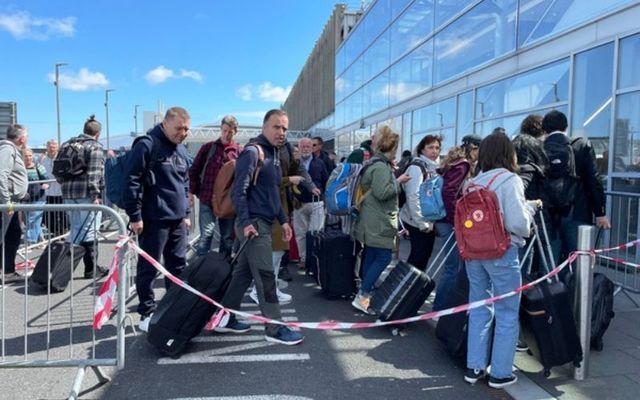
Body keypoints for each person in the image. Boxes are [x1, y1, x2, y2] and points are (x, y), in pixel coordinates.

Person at [214, 109, 304, 345]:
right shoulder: (253, 153)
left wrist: (283, 220)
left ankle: (226, 317)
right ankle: (274, 328)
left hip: (263, 222)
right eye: (276, 127)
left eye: (285, 128)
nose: (281, 132)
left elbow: (273, 193)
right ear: (264, 127)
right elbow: (238, 192)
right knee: (265, 277)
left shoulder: (274, 154)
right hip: (253, 225)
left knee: (242, 275)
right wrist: (245, 223)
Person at [463, 130, 537, 389]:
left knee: (479, 307)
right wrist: (530, 210)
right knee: (507, 311)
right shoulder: (510, 180)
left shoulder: (471, 183)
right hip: (501, 252)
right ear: (509, 154)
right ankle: (501, 372)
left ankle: (474, 366)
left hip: (473, 253)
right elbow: (518, 223)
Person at [123, 107, 191, 332]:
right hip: (153, 219)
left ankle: (172, 309)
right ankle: (147, 311)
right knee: (149, 268)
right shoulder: (147, 144)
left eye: (186, 129)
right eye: (179, 128)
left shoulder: (180, 150)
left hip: (177, 219)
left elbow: (184, 183)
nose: (183, 133)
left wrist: (187, 215)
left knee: (178, 266)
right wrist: (135, 215)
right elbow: (132, 180)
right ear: (165, 124)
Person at [541, 110, 610, 275]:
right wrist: (600, 212)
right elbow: (594, 181)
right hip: (577, 212)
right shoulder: (580, 145)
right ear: (566, 127)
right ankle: (578, 298)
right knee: (580, 261)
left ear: (544, 130)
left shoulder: (538, 148)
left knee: (550, 264)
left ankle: (551, 298)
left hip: (548, 216)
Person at [351, 126, 410, 314]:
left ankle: (364, 292)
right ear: (390, 147)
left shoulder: (373, 163)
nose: (396, 151)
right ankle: (363, 294)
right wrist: (398, 182)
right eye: (395, 148)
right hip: (379, 220)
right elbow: (383, 192)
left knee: (371, 254)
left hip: (370, 218)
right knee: (383, 257)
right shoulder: (381, 167)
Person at [431, 134, 481, 311]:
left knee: (454, 265)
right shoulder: (464, 164)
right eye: (478, 150)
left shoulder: (454, 162)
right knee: (453, 266)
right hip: (450, 221)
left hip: (443, 220)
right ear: (473, 149)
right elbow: (449, 191)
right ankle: (441, 307)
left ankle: (444, 305)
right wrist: (456, 219)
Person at [59, 115, 108, 280]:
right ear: (98, 133)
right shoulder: (94, 147)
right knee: (90, 230)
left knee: (75, 230)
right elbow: (94, 174)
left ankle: (60, 268)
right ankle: (91, 269)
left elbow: (58, 170)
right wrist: (96, 195)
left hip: (67, 194)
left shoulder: (67, 144)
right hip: (86, 194)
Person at [188, 115, 241, 258]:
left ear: (235, 131)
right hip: (207, 198)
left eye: (230, 131)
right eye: (224, 130)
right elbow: (194, 170)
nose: (226, 134)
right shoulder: (208, 148)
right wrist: (193, 191)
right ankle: (200, 271)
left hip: (227, 202)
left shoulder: (238, 152)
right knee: (206, 235)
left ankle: (222, 272)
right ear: (220, 129)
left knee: (227, 239)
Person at [399, 135, 441, 272]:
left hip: (427, 220)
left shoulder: (433, 167)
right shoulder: (417, 168)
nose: (435, 151)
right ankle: (405, 289)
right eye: (430, 147)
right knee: (417, 258)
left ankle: (413, 289)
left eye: (437, 148)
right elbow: (413, 196)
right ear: (422, 150)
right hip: (416, 221)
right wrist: (421, 222)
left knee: (423, 256)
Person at [292, 137, 328, 271]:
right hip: (299, 203)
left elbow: (326, 180)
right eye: (303, 146)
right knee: (300, 234)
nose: (306, 148)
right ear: (299, 148)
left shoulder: (320, 163)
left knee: (315, 232)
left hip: (316, 202)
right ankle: (303, 259)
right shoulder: (294, 164)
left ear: (312, 148)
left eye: (308, 146)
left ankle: (314, 259)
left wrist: (324, 198)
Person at [0, 124, 29, 283]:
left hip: (12, 201)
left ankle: (8, 270)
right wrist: (7, 202)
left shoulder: (10, 150)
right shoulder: (7, 150)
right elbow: (1, 175)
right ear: (22, 138)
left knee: (13, 234)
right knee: (8, 235)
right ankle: (6, 271)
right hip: (6, 203)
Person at [40, 140, 68, 238]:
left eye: (54, 147)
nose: (52, 149)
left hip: (60, 192)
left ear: (57, 148)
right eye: (50, 147)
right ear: (47, 147)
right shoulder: (42, 160)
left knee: (62, 213)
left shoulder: (61, 159)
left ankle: (62, 231)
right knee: (49, 214)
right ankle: (54, 231)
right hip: (48, 193)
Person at [22, 147, 49, 244]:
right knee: (31, 222)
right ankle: (40, 239)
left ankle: (30, 242)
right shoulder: (20, 168)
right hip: (25, 199)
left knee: (32, 220)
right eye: (26, 156)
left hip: (38, 198)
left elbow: (46, 179)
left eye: (30, 156)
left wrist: (45, 185)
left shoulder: (38, 166)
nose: (28, 158)